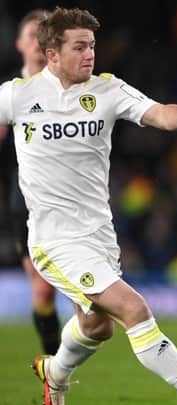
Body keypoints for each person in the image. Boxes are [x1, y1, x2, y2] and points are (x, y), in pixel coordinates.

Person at [0, 7, 177, 405]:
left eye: (92, 45)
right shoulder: (18, 96)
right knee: (133, 309)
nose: (90, 54)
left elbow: (159, 114)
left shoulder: (108, 90)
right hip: (55, 240)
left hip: (99, 236)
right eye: (79, 46)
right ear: (52, 53)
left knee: (97, 327)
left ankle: (55, 372)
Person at [0, 9, 61, 356]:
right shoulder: (9, 94)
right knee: (43, 291)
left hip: (72, 200)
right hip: (23, 201)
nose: (38, 43)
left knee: (89, 298)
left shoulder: (73, 88)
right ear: (20, 44)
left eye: (44, 36)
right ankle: (53, 362)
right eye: (32, 36)